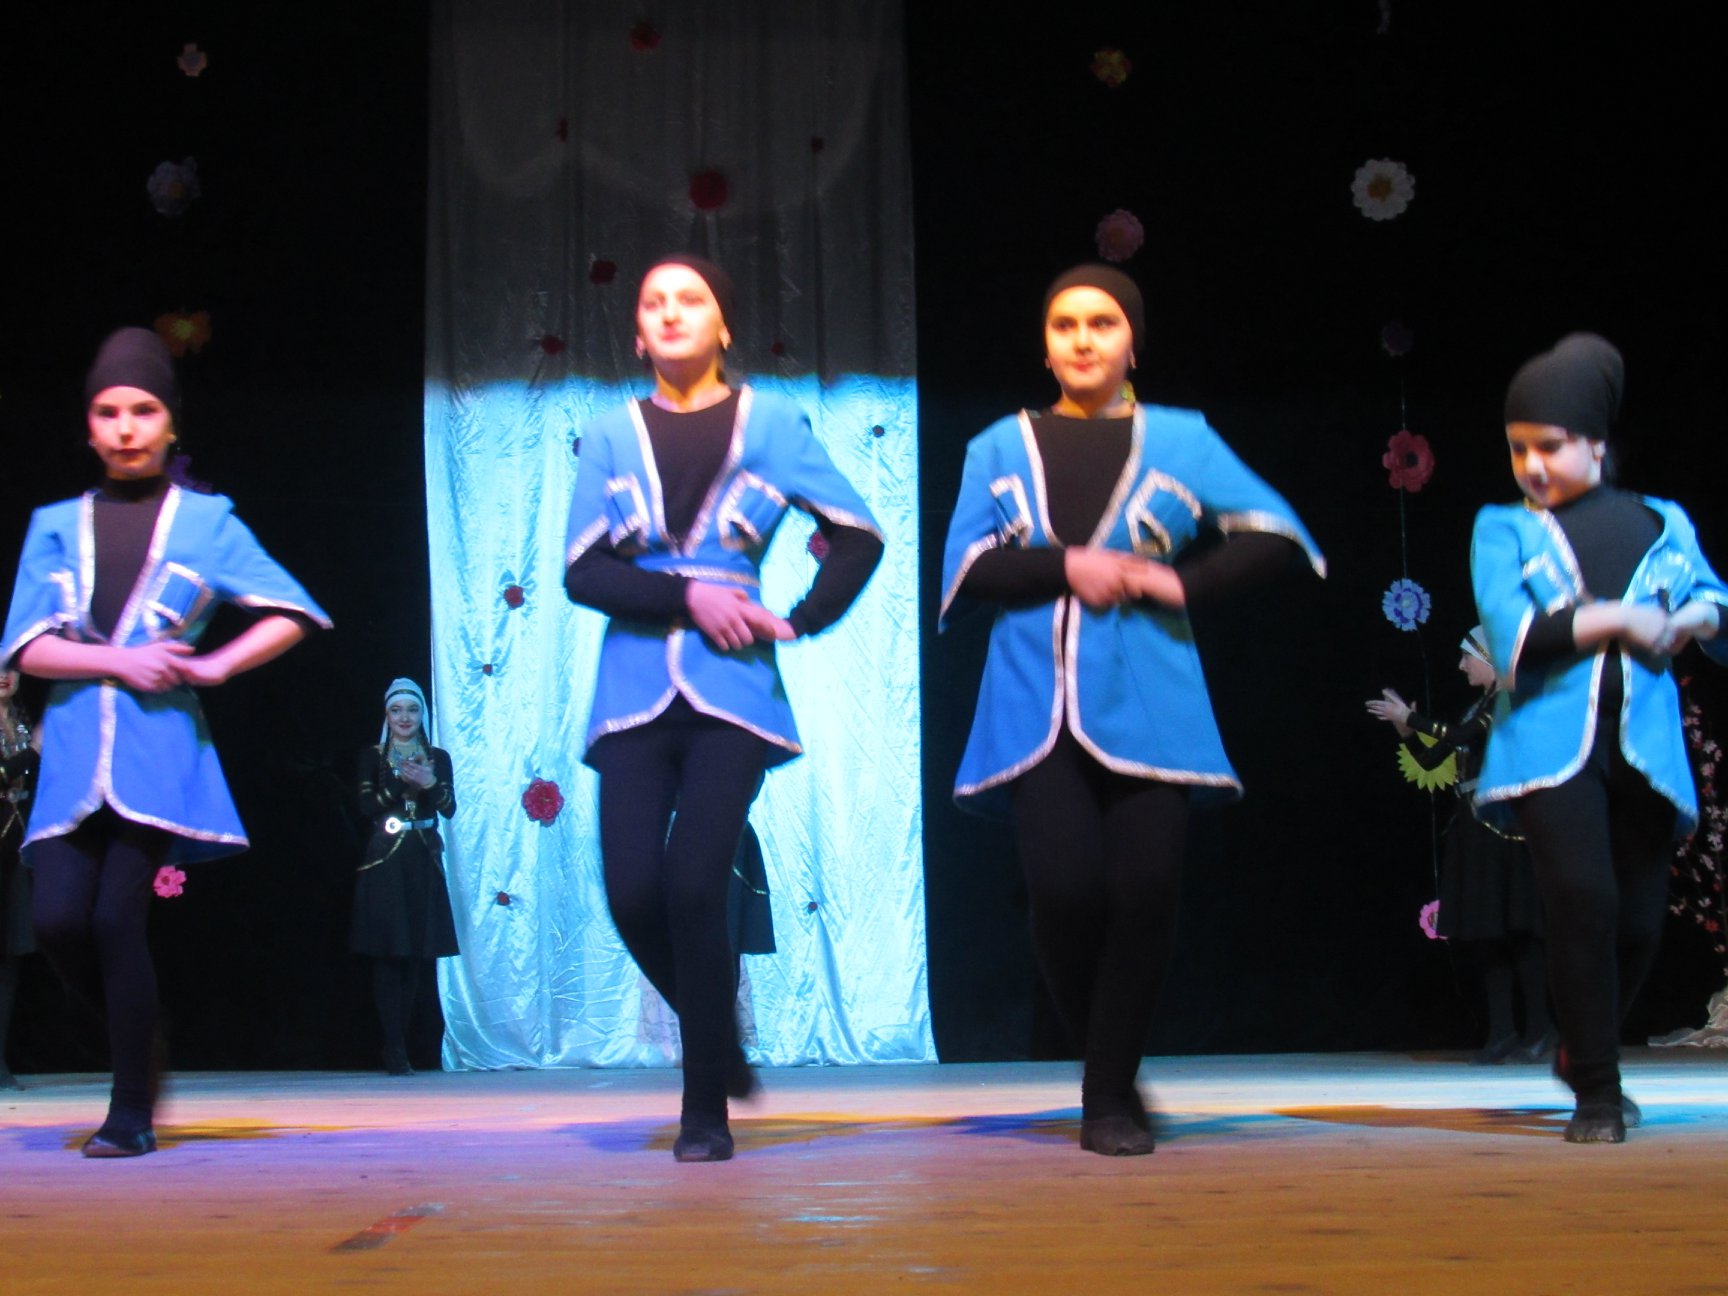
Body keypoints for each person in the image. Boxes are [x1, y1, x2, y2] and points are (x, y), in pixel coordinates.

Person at [939, 265, 1323, 1156]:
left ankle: (1107, 1091)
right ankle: (1107, 1068)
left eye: (1103, 323)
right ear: (1045, 347)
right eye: (1065, 324)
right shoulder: (997, 445)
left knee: (1145, 892)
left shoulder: (1183, 439)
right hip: (1034, 701)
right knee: (1063, 891)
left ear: (1132, 343)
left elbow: (1276, 533)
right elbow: (966, 569)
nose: (1083, 339)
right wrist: (1065, 566)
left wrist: (1182, 582)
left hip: (1153, 700)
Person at [563, 256, 884, 1162]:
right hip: (632, 689)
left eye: (691, 299)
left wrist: (801, 619)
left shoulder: (773, 424)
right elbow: (583, 570)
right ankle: (720, 1042)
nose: (671, 313)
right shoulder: (609, 434)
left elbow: (859, 535)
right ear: (637, 334)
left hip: (733, 692)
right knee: (633, 892)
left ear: (724, 324)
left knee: (696, 884)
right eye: (653, 303)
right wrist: (685, 596)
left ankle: (703, 1106)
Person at [0, 327, 330, 1156]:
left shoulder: (206, 522)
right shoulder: (54, 525)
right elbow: (26, 647)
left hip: (157, 754)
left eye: (143, 410)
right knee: (56, 922)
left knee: (116, 917)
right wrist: (120, 661)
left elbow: (293, 611)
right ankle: (137, 1040)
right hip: (74, 754)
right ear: (88, 426)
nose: (126, 428)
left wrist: (214, 667)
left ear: (171, 422)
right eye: (108, 412)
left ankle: (129, 1113)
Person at [1470, 332, 1727, 1142]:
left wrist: (1692, 617)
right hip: (1549, 749)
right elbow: (1513, 638)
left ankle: (1583, 1047)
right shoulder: (1503, 529)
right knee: (1584, 902)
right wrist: (1617, 618)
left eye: (1549, 446)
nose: (1532, 465)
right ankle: (1599, 1094)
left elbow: (1715, 601)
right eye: (1519, 448)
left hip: (1645, 749)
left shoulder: (1664, 521)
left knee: (1640, 924)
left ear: (1597, 444)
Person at [1366, 629, 1553, 1063]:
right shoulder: (1480, 704)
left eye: (1468, 657)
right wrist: (1406, 730)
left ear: (1490, 657)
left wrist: (1413, 719)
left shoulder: (1506, 699)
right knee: (1488, 932)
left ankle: (1541, 1031)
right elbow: (1433, 758)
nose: (1461, 665)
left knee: (1519, 932)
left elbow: (1464, 735)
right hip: (1476, 827)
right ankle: (1503, 1033)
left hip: (1502, 830)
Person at [352, 678, 458, 1075]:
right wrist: (402, 782)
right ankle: (392, 1047)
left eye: (412, 710)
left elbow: (449, 807)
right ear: (387, 715)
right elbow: (367, 807)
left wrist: (429, 784)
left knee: (415, 954)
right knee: (388, 952)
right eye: (396, 710)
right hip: (385, 860)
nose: (404, 718)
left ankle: (405, 1046)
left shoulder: (438, 757)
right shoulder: (373, 756)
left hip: (423, 859)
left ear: (422, 714)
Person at [1, 668, 41, 1090]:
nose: (3, 675)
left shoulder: (22, 717)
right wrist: (32, 751)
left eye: (9, 665)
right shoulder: (31, 737)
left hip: (13, 849)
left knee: (9, 953)